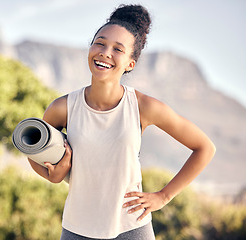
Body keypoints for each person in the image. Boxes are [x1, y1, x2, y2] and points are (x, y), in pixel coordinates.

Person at [27, 4, 216, 240]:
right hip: (77, 229)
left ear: (130, 63)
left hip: (132, 229)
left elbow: (205, 148)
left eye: (118, 49)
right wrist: (52, 175)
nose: (105, 52)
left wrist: (164, 196)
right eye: (100, 43)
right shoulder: (62, 107)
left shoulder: (143, 107)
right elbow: (33, 152)